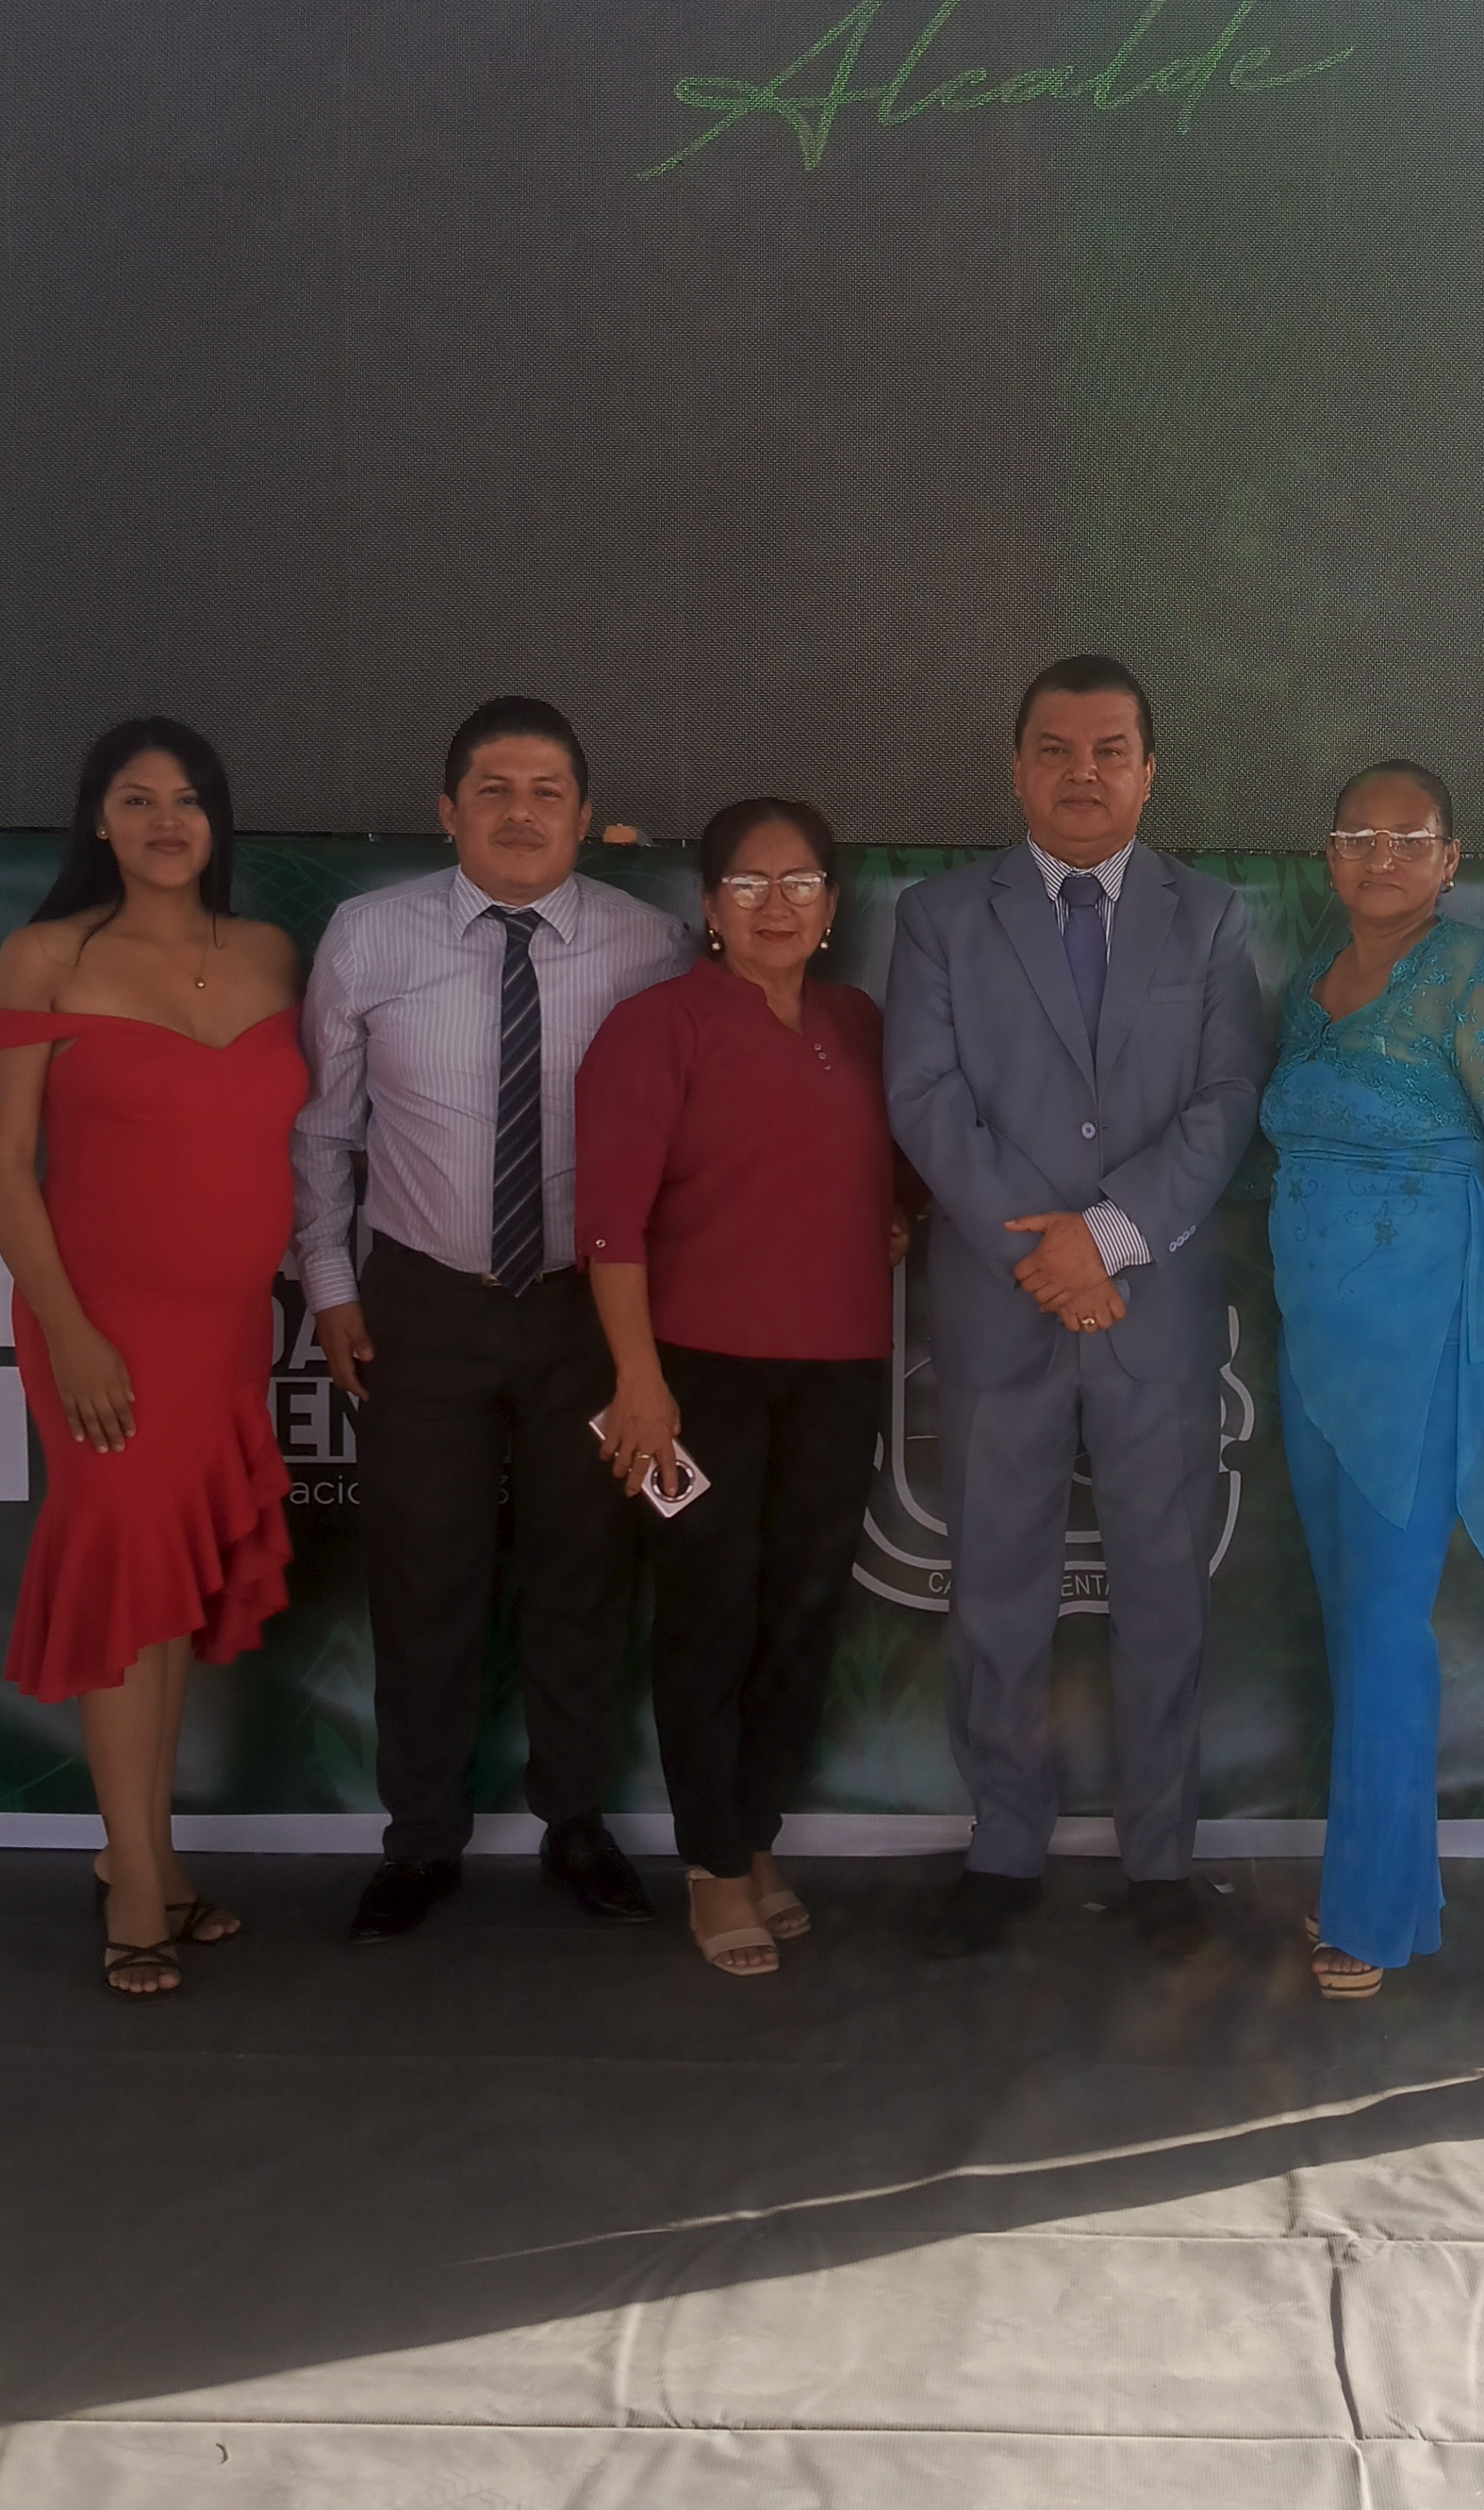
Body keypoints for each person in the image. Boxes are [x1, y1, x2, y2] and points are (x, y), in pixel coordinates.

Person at [884, 654, 1267, 1961]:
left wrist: (1103, 1239)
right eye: (1054, 749)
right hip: (1002, 1307)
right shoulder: (941, 917)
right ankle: (1002, 1848)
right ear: (1018, 769)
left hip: (1152, 1310)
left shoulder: (1210, 918)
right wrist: (1047, 1252)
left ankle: (1161, 1859)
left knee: (1165, 1593)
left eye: (1110, 751)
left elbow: (1226, 1102)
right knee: (997, 1588)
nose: (1082, 773)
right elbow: (927, 1100)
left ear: (1149, 773)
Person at [293, 697, 688, 1941]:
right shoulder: (368, 938)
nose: (521, 813)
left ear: (584, 814)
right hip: (421, 1306)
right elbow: (326, 1129)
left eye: (546, 791)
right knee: (424, 1580)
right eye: (494, 789)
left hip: (588, 1313)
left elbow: (698, 1129)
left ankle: (577, 1824)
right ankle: (421, 1840)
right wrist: (329, 1282)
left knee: (585, 1574)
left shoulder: (652, 947)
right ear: (448, 810)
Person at [575, 799, 914, 1978]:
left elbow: (899, 1170)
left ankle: (756, 1837)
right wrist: (639, 1382)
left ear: (832, 904)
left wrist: (897, 1214)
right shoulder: (654, 1027)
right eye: (751, 884)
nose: (779, 904)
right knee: (708, 1615)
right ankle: (713, 1867)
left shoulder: (860, 1024)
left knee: (802, 1615)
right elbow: (609, 1225)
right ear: (709, 906)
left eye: (802, 882)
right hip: (693, 1375)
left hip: (838, 1365)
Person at [0, 718, 303, 1995]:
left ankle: (153, 1853)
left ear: (216, 819)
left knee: (172, 1588)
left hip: (228, 1334)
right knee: (128, 1580)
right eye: (136, 798)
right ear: (98, 819)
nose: (165, 820)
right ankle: (131, 1882)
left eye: (187, 798)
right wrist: (68, 1332)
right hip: (101, 1328)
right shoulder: (46, 957)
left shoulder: (272, 953)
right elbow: (7, 1168)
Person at [1263, 763, 1484, 1998]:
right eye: (1358, 836)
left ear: (1450, 860)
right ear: (1329, 857)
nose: (1380, 856)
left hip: (1424, 1336)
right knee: (1350, 1618)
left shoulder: (1479, 978)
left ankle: (1372, 1917)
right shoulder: (1311, 982)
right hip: (1314, 1343)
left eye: (1409, 838)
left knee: (1387, 1624)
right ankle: (1391, 1880)